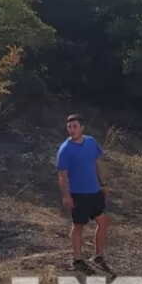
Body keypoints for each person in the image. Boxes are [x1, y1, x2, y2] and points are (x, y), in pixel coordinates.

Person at [56, 113, 110, 273]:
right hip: (78, 194)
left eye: (74, 126)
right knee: (78, 226)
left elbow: (96, 162)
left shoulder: (91, 142)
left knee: (103, 222)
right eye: (69, 127)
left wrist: (103, 183)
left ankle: (99, 255)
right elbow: (62, 175)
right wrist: (66, 196)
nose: (71, 130)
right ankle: (77, 259)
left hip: (95, 192)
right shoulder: (65, 149)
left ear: (82, 128)